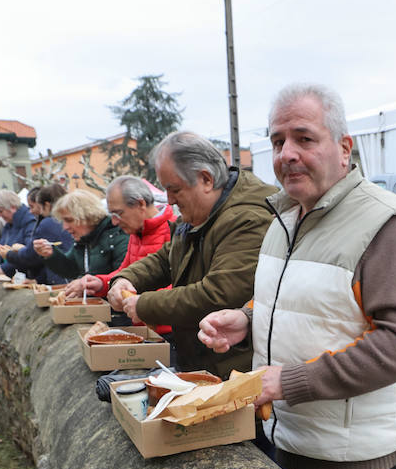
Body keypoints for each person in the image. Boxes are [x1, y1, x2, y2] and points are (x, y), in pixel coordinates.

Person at [198, 84, 396, 469]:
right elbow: (306, 301)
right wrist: (246, 318)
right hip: (291, 442)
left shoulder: (388, 225)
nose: (287, 154)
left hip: (362, 463)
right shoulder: (286, 216)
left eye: (304, 138)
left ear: (344, 147)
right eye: (277, 141)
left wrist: (289, 381)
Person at [105, 131, 276, 377]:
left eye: (174, 190)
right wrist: (127, 278)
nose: (170, 200)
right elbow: (167, 258)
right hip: (204, 363)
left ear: (205, 179)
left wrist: (144, 305)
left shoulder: (246, 218)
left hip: (233, 372)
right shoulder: (201, 213)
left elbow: (219, 294)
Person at [63, 175, 177, 330]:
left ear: (140, 204)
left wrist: (143, 303)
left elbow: (177, 288)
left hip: (169, 332)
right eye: (112, 215)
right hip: (142, 327)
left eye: (118, 214)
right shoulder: (136, 233)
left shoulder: (173, 230)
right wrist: (101, 283)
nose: (114, 222)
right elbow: (125, 272)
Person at [32, 190, 128, 281]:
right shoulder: (84, 239)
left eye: (69, 220)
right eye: (63, 221)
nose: (65, 227)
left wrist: (94, 285)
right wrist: (50, 254)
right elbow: (71, 269)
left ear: (88, 217)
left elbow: (124, 279)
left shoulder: (118, 237)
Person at [5, 183, 72, 284]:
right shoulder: (67, 219)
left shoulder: (48, 222)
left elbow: (31, 255)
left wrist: (8, 254)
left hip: (62, 282)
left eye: (39, 207)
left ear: (47, 205)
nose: (39, 212)